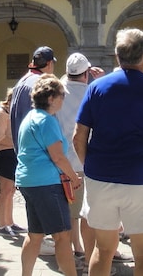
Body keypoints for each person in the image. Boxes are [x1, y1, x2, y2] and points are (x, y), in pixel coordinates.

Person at [73, 28, 143, 276]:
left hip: (101, 177)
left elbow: (78, 136)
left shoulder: (96, 88)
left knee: (103, 249)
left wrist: (91, 168)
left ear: (117, 57)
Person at [16, 74, 82, 276]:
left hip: (29, 181)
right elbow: (58, 157)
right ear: (51, 98)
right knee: (62, 236)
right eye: (62, 95)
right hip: (47, 183)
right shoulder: (47, 121)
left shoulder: (30, 117)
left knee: (35, 235)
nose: (63, 99)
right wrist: (74, 177)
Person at [57, 52, 110, 266]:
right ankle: (89, 259)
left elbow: (65, 79)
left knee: (70, 214)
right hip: (89, 162)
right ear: (87, 73)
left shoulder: (59, 91)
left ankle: (73, 253)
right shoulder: (93, 91)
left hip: (65, 162)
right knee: (88, 215)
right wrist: (101, 78)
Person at [0, 88, 25, 238]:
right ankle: (2, 225)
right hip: (4, 154)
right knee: (4, 191)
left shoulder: (10, 113)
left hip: (12, 154)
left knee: (11, 191)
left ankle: (10, 222)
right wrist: (18, 143)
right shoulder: (1, 114)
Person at [9, 46, 57, 151]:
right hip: (38, 152)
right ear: (49, 64)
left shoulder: (21, 82)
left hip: (21, 149)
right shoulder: (42, 84)